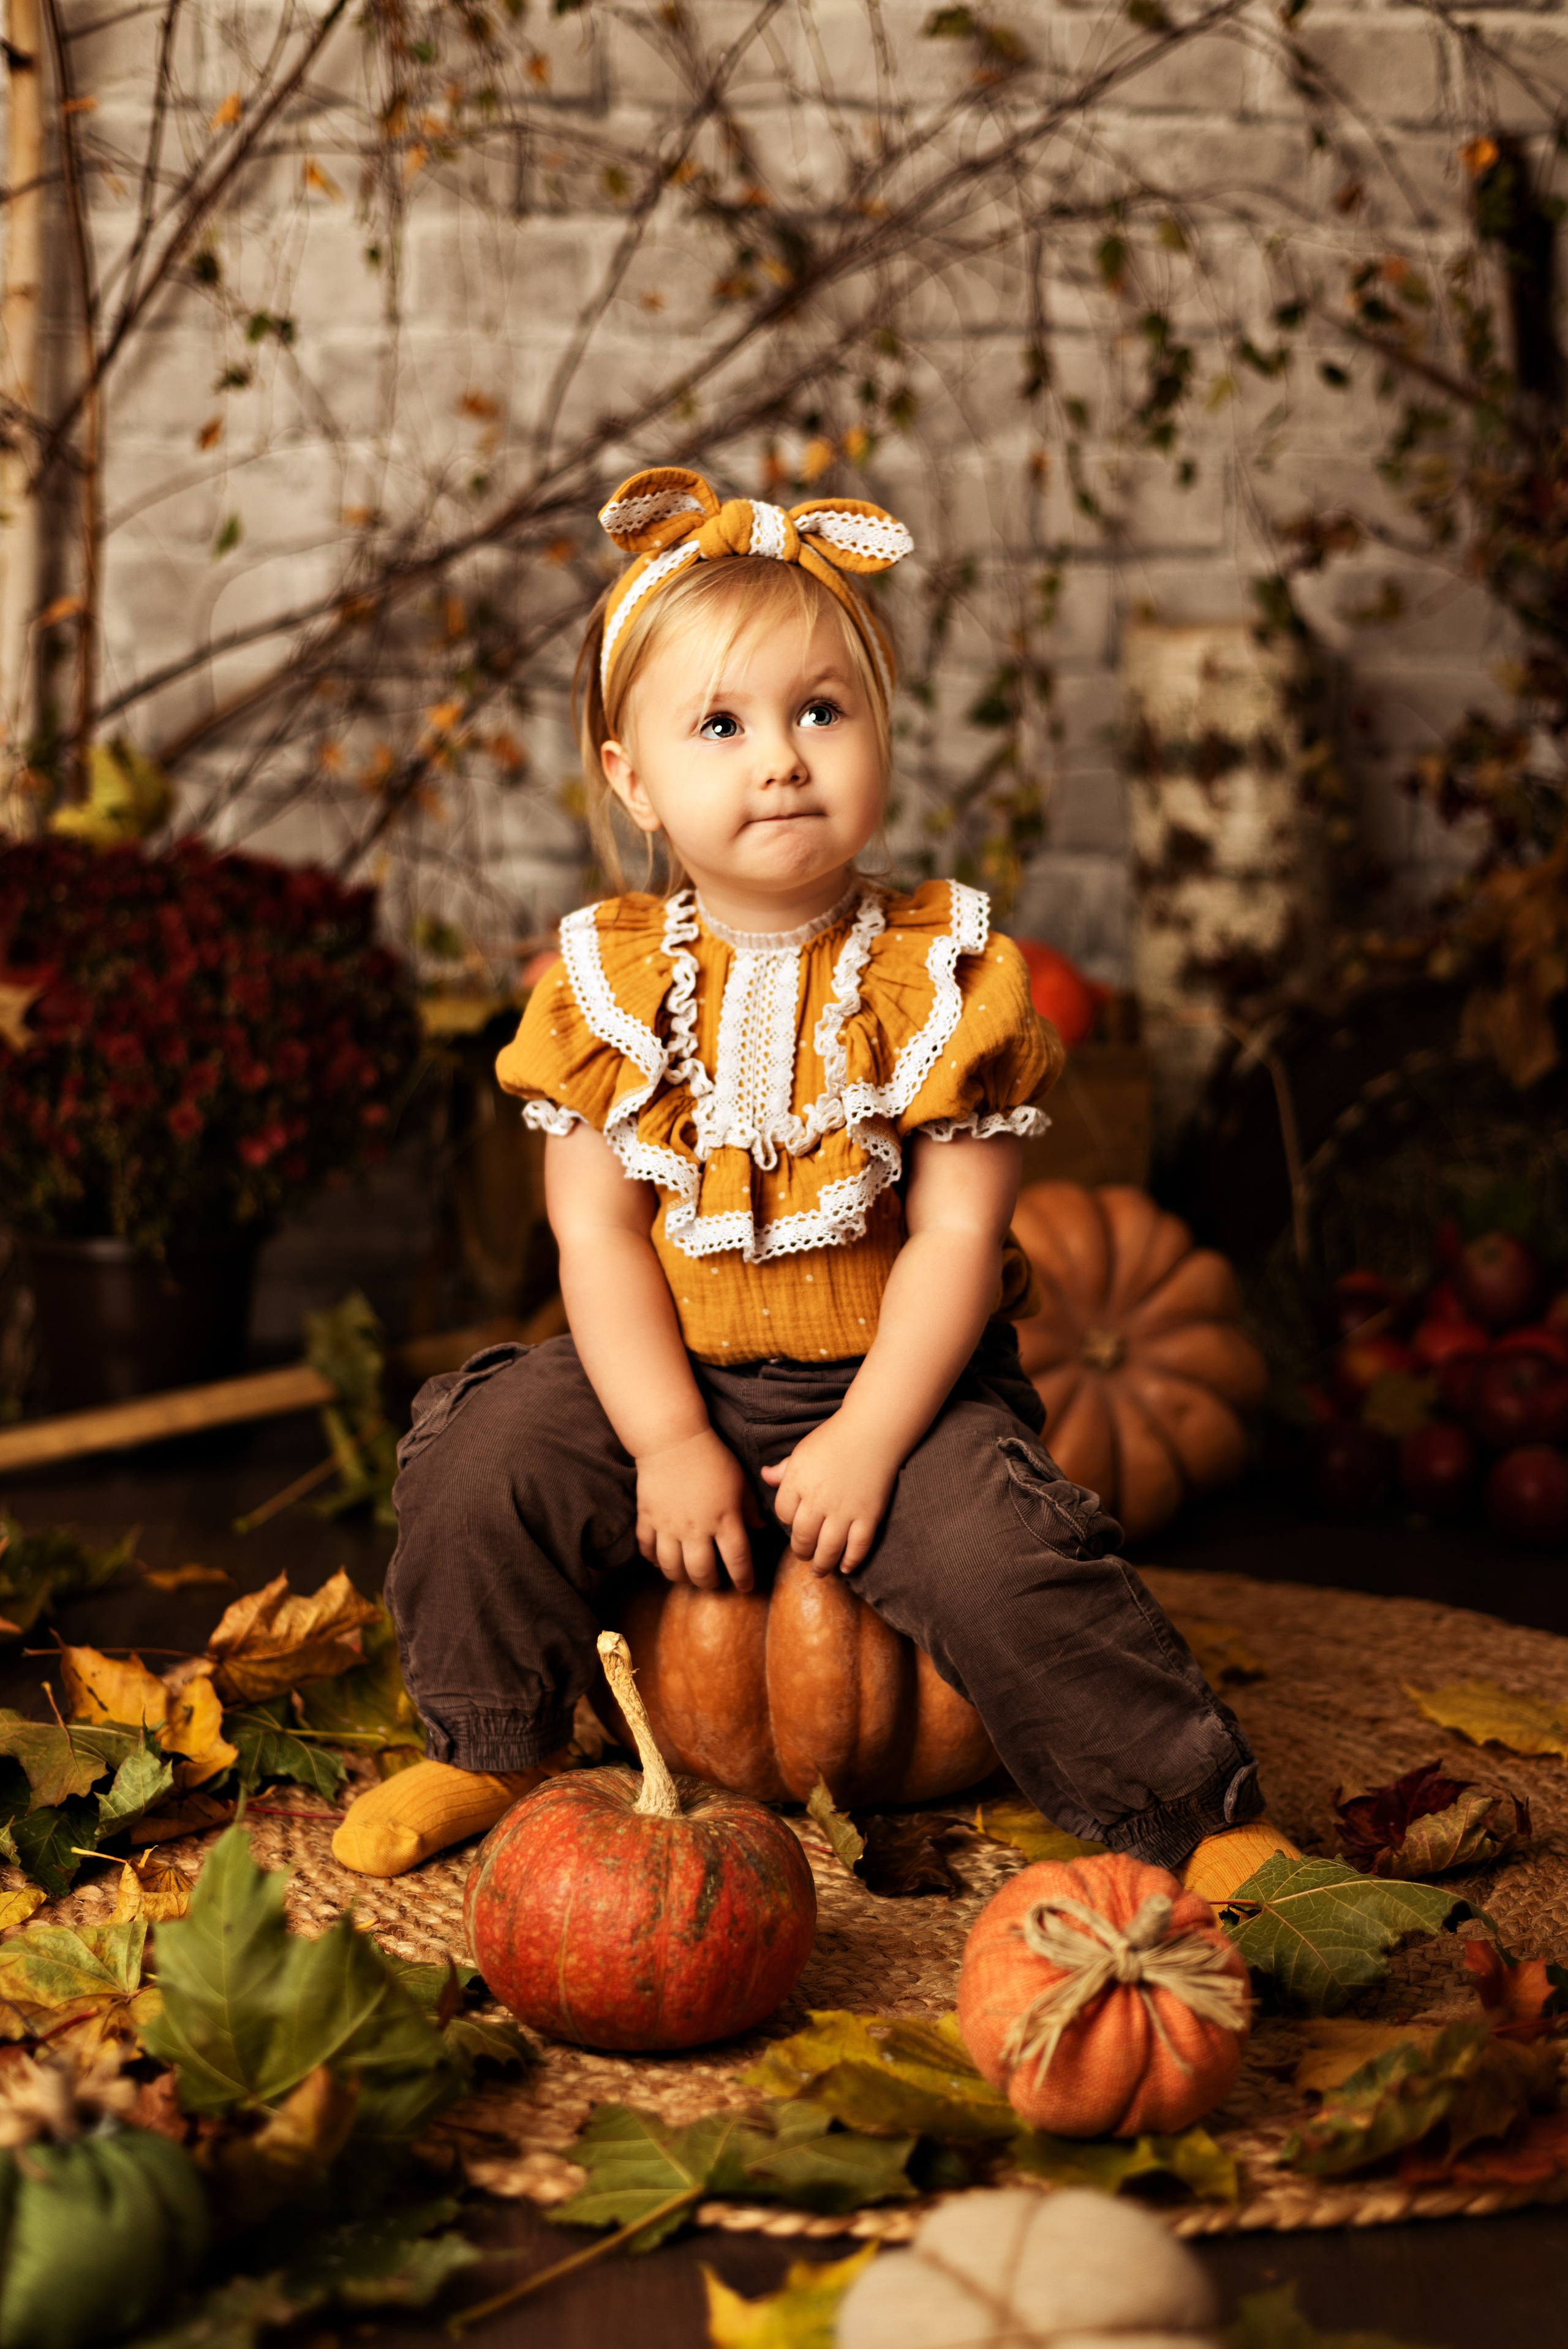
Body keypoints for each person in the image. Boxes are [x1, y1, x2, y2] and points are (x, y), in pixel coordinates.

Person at [333, 464, 1297, 1902]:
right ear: (632, 780)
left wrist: (866, 1439)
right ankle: (491, 1735)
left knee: (1009, 1563)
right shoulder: (602, 986)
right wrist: (662, 1439)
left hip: (899, 1384)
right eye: (719, 725)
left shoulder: (940, 975)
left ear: (880, 740)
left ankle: (1190, 1810)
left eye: (820, 711)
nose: (778, 757)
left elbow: (957, 1241)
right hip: (663, 1368)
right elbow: (592, 1235)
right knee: (483, 1457)